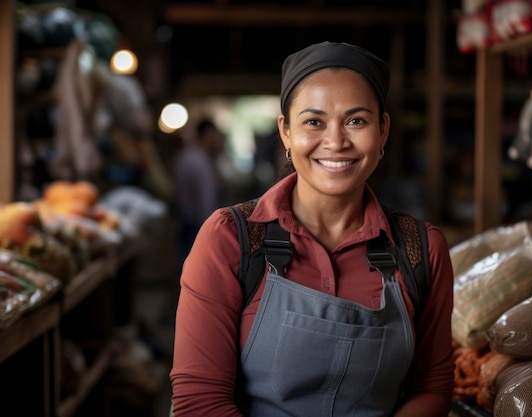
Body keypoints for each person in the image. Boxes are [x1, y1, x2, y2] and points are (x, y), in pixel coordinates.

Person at [170, 41, 455, 417]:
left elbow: (432, 387)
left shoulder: (421, 248)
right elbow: (199, 400)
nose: (335, 142)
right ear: (286, 132)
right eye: (313, 122)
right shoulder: (230, 239)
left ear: (383, 130)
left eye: (356, 120)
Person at [172, 118, 227, 268]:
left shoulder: (185, 156)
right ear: (208, 134)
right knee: (196, 268)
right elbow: (206, 200)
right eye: (215, 135)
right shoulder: (199, 162)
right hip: (198, 225)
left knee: (185, 266)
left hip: (186, 221)